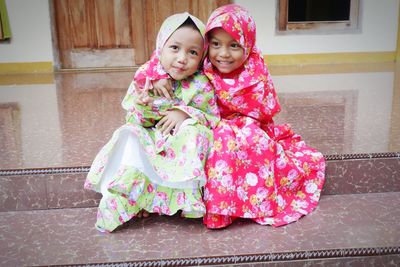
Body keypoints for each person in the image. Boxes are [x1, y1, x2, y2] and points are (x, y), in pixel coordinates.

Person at [84, 12, 220, 232]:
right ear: (160, 47)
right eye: (174, 48)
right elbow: (135, 118)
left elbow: (213, 117)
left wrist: (184, 113)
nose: (182, 58)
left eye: (193, 52)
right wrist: (143, 105)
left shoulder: (200, 83)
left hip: (178, 144)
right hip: (151, 136)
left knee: (195, 133)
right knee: (128, 133)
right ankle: (128, 196)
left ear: (202, 57)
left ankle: (180, 199)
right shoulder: (146, 77)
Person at [201, 4, 326, 228]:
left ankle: (246, 205)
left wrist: (240, 126)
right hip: (209, 123)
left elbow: (263, 112)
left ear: (248, 45)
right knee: (219, 139)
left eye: (234, 45)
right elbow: (167, 59)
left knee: (251, 142)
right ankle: (220, 208)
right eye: (215, 44)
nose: (223, 54)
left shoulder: (255, 71)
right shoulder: (203, 67)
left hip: (250, 126)